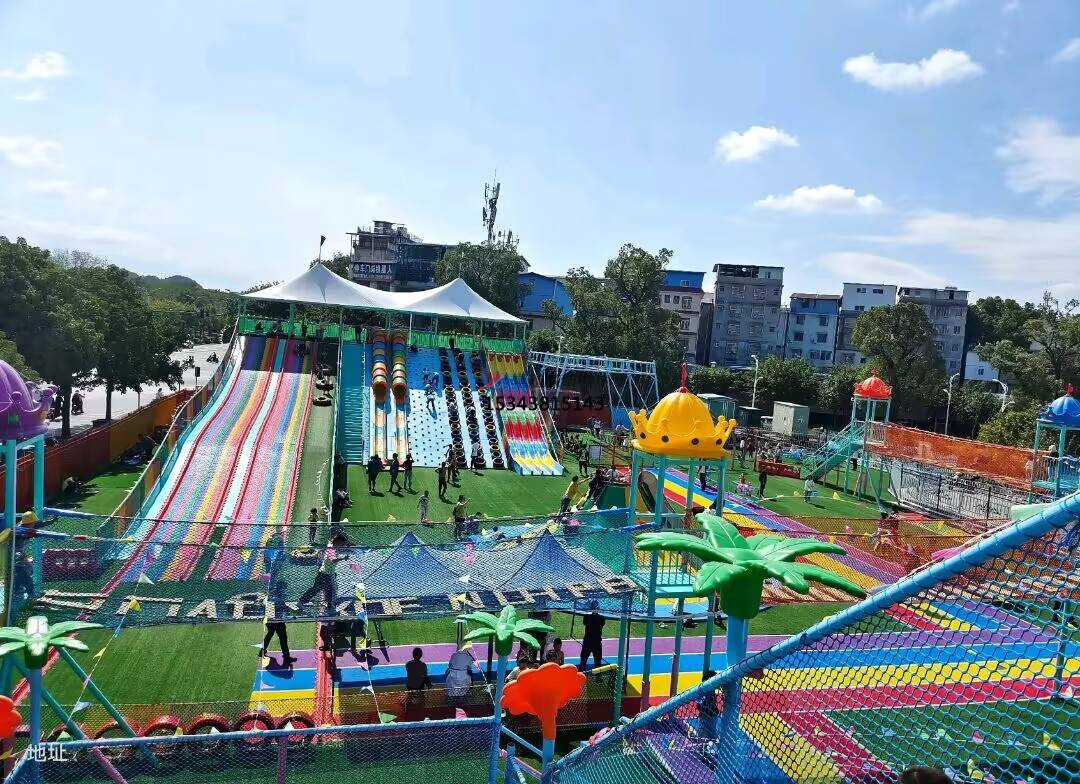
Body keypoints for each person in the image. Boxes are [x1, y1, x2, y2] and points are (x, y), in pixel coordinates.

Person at [298, 534, 347, 610]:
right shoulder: (331, 549)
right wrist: (343, 558)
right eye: (342, 544)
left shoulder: (331, 545)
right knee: (329, 590)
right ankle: (330, 607)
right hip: (326, 574)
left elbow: (331, 541)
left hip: (325, 572)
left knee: (319, 589)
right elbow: (333, 560)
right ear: (338, 542)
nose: (343, 546)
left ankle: (302, 601)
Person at [260, 580, 296, 664]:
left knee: (270, 633)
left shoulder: (271, 594)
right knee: (283, 637)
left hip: (268, 619)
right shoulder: (280, 596)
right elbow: (283, 606)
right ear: (283, 588)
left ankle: (262, 651)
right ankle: (286, 657)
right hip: (277, 620)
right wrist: (292, 612)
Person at [579, 601, 605, 670]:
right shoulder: (601, 618)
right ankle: (598, 676)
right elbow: (602, 624)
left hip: (587, 642)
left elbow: (584, 623)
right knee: (597, 663)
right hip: (597, 642)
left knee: (583, 661)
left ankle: (580, 674)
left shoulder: (586, 617)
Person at [697, 670, 719, 740]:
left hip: (710, 714)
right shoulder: (703, 690)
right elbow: (699, 704)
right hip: (707, 714)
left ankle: (709, 741)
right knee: (707, 733)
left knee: (709, 732)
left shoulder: (710, 690)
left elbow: (698, 705)